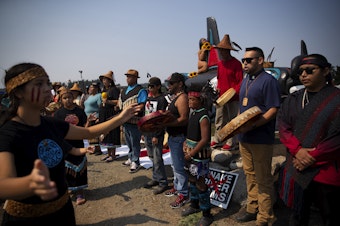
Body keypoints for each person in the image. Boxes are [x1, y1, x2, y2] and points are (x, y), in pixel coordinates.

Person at [0, 63, 140, 225]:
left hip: (62, 212)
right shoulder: (8, 133)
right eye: (39, 84)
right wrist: (30, 183)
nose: (47, 89)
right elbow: (3, 184)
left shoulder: (51, 124)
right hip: (24, 219)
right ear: (18, 92)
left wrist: (122, 117)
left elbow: (88, 132)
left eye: (47, 83)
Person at [278, 54, 340, 226]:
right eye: (301, 72)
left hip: (326, 170)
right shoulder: (293, 99)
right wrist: (298, 151)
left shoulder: (336, 99)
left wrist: (314, 156)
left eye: (310, 71)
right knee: (297, 216)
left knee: (329, 216)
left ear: (326, 70)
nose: (303, 75)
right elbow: (283, 127)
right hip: (298, 167)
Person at [235, 47, 281, 226]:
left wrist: (253, 125)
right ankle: (252, 208)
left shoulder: (269, 81)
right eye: (243, 60)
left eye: (249, 60)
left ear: (260, 60)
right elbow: (242, 106)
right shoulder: (246, 80)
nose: (245, 63)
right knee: (249, 174)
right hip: (244, 138)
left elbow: (273, 109)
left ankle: (265, 217)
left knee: (263, 178)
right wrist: (237, 125)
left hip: (261, 137)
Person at [181, 83, 214, 226]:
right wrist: (185, 144)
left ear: (200, 100)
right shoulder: (193, 113)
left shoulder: (204, 116)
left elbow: (205, 139)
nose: (189, 102)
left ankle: (207, 214)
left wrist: (192, 152)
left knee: (200, 183)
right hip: (190, 153)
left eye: (192, 100)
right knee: (192, 180)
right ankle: (194, 205)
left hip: (199, 155)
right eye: (188, 100)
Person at [53, 88, 90, 205]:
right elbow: (56, 130)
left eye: (69, 97)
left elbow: (85, 127)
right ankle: (70, 188)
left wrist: (89, 121)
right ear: (61, 100)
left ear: (72, 98)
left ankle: (80, 191)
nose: (67, 100)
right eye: (65, 98)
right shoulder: (58, 113)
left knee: (80, 167)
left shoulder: (79, 111)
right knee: (67, 169)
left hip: (78, 143)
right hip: (65, 145)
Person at [210, 34, 243, 151]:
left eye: (222, 50)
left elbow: (240, 81)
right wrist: (218, 89)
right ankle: (218, 139)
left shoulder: (237, 64)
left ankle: (232, 141)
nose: (220, 52)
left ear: (228, 51)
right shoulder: (220, 64)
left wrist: (234, 92)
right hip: (221, 97)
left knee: (232, 120)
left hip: (233, 97)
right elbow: (219, 79)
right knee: (219, 119)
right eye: (219, 50)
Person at [163, 72, 189, 208]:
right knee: (174, 165)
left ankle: (184, 194)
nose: (169, 86)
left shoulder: (182, 98)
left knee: (179, 167)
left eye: (171, 83)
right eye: (168, 83)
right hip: (174, 136)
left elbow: (184, 119)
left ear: (180, 84)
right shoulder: (176, 97)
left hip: (179, 136)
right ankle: (178, 187)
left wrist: (167, 124)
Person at [142, 77, 169, 195]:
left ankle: (163, 182)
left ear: (158, 86)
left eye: (152, 86)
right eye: (149, 86)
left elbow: (162, 119)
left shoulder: (162, 100)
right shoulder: (148, 98)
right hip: (147, 131)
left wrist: (157, 135)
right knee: (151, 156)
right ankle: (156, 178)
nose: (150, 88)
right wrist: (143, 131)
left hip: (156, 133)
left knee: (157, 158)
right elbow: (145, 115)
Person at [119, 69, 148, 173]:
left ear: (136, 78)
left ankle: (136, 161)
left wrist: (132, 111)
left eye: (130, 77)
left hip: (135, 120)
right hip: (125, 120)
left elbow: (141, 105)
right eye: (127, 76)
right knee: (128, 140)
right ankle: (130, 157)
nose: (128, 79)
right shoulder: (124, 90)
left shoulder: (141, 90)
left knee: (135, 141)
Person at [98, 70, 121, 163]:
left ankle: (113, 154)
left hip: (111, 113)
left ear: (110, 81)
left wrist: (108, 102)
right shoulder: (104, 90)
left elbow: (117, 101)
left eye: (106, 80)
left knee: (112, 133)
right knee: (105, 132)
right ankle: (108, 154)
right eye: (103, 80)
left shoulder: (114, 90)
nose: (104, 81)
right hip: (103, 113)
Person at [83, 82, 102, 155]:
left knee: (95, 133)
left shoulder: (98, 96)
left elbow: (100, 107)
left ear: (96, 88)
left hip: (95, 116)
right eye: (90, 87)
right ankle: (93, 148)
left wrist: (99, 117)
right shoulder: (89, 96)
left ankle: (98, 149)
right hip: (88, 117)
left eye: (93, 87)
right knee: (89, 133)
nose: (91, 89)